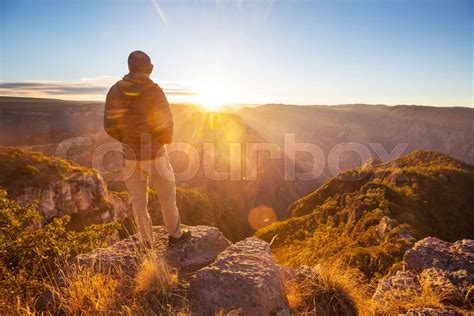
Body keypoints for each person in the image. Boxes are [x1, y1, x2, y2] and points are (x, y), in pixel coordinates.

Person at [104, 50, 189, 247]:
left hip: (130, 156)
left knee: (138, 202)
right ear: (147, 69)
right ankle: (175, 236)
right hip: (155, 155)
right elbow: (167, 121)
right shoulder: (154, 90)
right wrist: (160, 142)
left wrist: (127, 140)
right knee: (167, 196)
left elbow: (109, 124)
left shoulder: (115, 90)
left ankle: (146, 242)